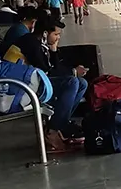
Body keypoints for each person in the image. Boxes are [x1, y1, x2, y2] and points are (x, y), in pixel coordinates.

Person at [5, 18, 88, 151]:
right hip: (20, 87)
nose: (58, 38)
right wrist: (73, 71)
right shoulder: (31, 43)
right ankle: (53, 130)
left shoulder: (39, 43)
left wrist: (54, 50)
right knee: (72, 82)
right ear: (45, 33)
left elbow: (51, 68)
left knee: (82, 83)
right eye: (56, 34)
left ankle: (61, 124)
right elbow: (46, 71)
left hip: (32, 81)